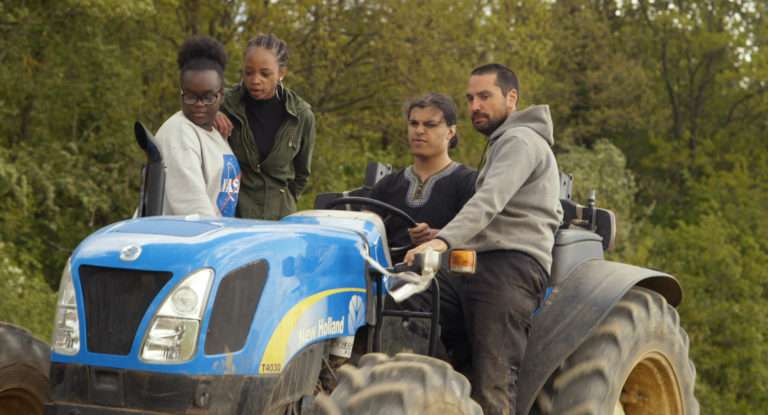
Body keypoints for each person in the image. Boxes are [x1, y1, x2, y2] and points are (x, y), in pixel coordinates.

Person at [405, 64, 563, 415]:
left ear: (511, 98)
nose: (475, 105)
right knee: (411, 296)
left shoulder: (521, 141)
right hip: (478, 263)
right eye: (470, 98)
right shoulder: (502, 143)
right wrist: (439, 237)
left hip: (509, 268)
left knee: (494, 384)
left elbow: (489, 200)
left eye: (485, 96)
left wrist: (441, 243)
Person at [214, 33, 316, 220]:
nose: (255, 80)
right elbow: (191, 106)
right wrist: (212, 114)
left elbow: (302, 174)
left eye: (265, 73)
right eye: (248, 72)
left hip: (280, 220)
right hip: (233, 218)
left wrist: (286, 200)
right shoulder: (224, 103)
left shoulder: (301, 115)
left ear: (281, 73)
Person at [369, 93, 477, 263]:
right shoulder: (387, 185)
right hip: (385, 280)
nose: (419, 130)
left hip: (444, 283)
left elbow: (481, 237)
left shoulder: (469, 182)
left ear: (450, 132)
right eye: (413, 123)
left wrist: (439, 238)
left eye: (430, 124)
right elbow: (363, 237)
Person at [154, 36, 241, 217]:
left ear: (221, 95)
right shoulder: (178, 133)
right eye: (191, 96)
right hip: (179, 240)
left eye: (208, 97)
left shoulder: (215, 134)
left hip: (209, 238)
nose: (199, 105)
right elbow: (194, 210)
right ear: (181, 94)